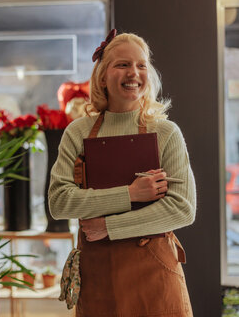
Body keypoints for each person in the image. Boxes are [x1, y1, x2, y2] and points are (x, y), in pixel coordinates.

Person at [48, 29, 196, 316]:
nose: (134, 73)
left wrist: (110, 227)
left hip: (157, 278)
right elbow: (59, 202)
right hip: (99, 277)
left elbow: (182, 208)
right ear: (102, 76)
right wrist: (130, 194)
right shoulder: (77, 133)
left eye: (142, 65)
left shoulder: (166, 133)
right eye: (122, 64)